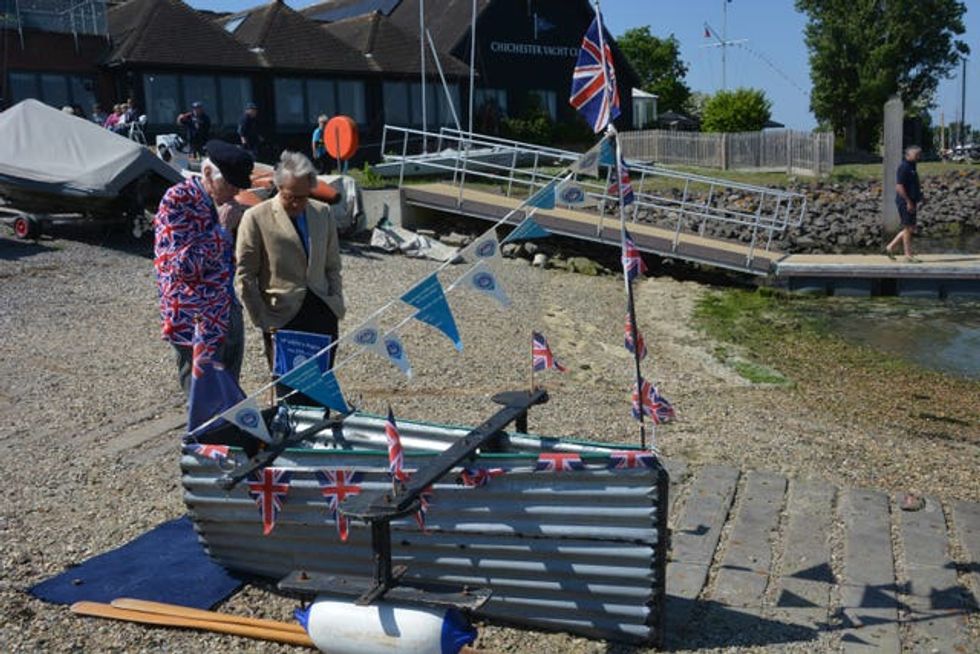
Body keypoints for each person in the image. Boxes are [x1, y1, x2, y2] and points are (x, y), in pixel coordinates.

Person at [235, 151, 345, 404]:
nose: (297, 203)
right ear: (277, 187)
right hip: (281, 316)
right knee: (289, 391)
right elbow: (245, 274)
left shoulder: (323, 213)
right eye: (290, 197)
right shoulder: (255, 217)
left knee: (321, 385)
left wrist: (336, 300)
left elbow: (332, 265)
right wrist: (261, 318)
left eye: (304, 197)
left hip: (322, 311)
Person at [154, 140, 254, 394]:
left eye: (238, 187)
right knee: (204, 402)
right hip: (194, 320)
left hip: (225, 309)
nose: (234, 193)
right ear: (208, 173)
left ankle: (227, 434)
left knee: (229, 395)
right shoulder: (178, 200)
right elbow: (183, 266)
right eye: (229, 184)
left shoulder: (220, 203)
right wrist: (221, 230)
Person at [885, 145, 924, 262]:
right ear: (908, 155)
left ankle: (890, 247)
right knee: (908, 227)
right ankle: (908, 255)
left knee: (910, 228)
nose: (919, 156)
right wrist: (908, 201)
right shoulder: (904, 167)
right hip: (905, 201)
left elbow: (913, 185)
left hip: (912, 200)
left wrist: (920, 196)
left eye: (919, 154)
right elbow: (899, 187)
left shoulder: (913, 166)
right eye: (916, 154)